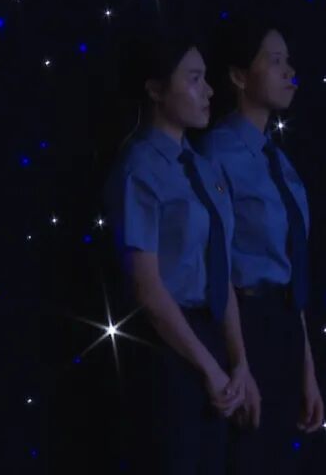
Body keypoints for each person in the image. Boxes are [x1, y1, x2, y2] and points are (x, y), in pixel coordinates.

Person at [103, 29, 252, 474]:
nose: (209, 91)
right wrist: (210, 368)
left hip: (212, 339)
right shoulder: (139, 168)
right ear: (155, 89)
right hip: (168, 349)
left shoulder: (204, 168)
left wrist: (239, 362)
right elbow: (147, 289)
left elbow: (221, 270)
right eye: (193, 78)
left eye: (206, 78)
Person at [197, 17, 325, 474]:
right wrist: (240, 363)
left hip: (285, 326)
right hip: (244, 326)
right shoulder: (216, 153)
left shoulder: (281, 163)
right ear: (238, 76)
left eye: (289, 61)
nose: (290, 72)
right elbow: (217, 265)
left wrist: (307, 371)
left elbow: (292, 270)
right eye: (274, 61)